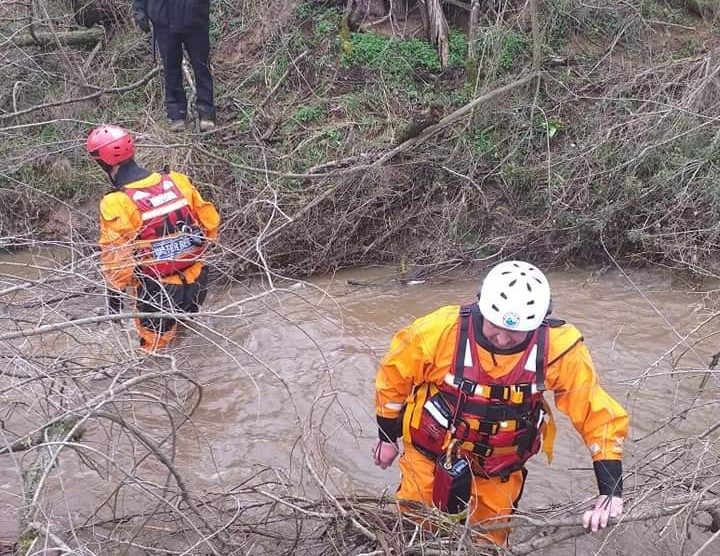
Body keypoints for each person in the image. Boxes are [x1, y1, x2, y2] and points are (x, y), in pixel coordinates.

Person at [373, 260, 629, 545]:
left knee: (487, 541)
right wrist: (387, 437)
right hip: (430, 458)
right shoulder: (439, 330)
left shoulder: (559, 349)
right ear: (481, 306)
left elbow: (596, 413)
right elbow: (393, 380)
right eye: (495, 326)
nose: (503, 338)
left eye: (516, 332)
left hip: (499, 471)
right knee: (415, 530)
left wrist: (610, 490)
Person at [86, 124, 220, 351]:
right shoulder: (176, 180)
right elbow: (211, 223)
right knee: (186, 335)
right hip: (197, 278)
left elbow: (117, 263)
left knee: (155, 353)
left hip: (158, 290)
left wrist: (114, 306)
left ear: (102, 161)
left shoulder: (116, 202)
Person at [132, 0, 216, 132]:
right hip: (163, 18)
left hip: (194, 16)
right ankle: (177, 114)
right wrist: (139, 9)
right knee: (170, 68)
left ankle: (206, 112)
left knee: (201, 67)